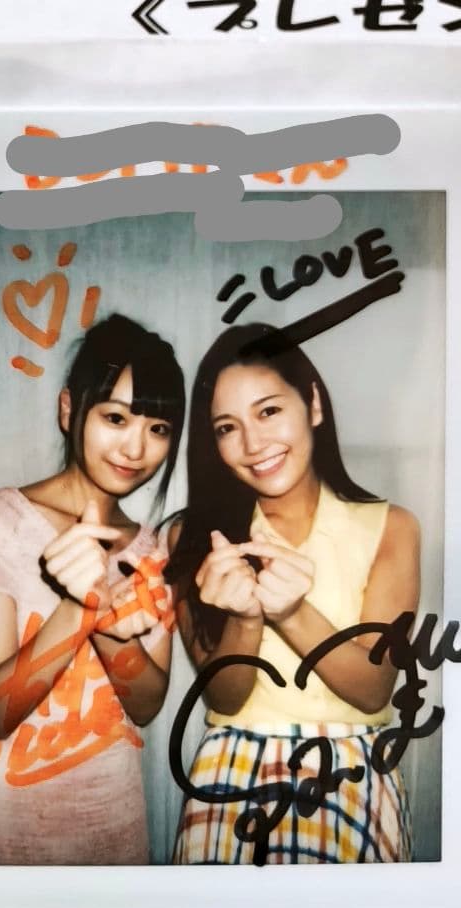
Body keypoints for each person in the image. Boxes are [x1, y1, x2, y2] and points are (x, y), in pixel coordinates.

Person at [166, 323, 420, 865]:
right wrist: (246, 619)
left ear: (314, 405)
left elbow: (374, 690)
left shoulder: (392, 526)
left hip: (352, 767)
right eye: (227, 427)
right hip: (234, 764)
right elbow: (224, 699)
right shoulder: (191, 537)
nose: (253, 444)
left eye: (268, 411)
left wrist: (291, 613)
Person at [0, 313, 185, 865]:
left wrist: (109, 624)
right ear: (69, 410)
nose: (135, 448)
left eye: (158, 428)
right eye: (116, 417)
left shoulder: (151, 550)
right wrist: (80, 608)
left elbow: (145, 704)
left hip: (113, 833)